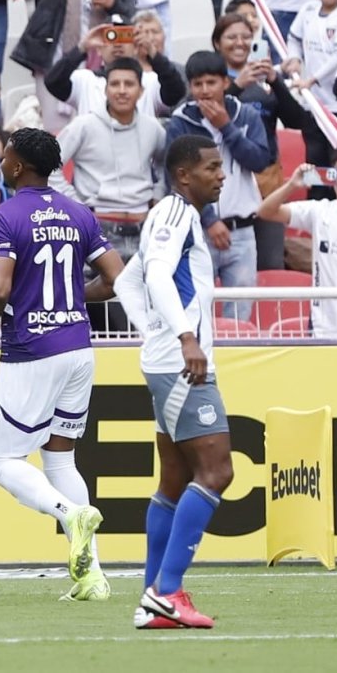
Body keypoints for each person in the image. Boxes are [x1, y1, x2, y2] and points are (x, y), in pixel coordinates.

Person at [0, 127, 124, 602]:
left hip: (31, 350)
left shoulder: (4, 217)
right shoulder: (80, 214)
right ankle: (92, 576)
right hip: (78, 346)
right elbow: (116, 278)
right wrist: (73, 297)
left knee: (4, 463)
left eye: (5, 155)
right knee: (60, 459)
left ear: (18, 165)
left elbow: (0, 288)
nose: (2, 161)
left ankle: (69, 514)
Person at [113, 135, 230, 629]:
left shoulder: (174, 217)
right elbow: (157, 275)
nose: (221, 175)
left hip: (168, 359)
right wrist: (182, 337)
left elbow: (126, 281)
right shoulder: (175, 212)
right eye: (211, 167)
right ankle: (167, 592)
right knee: (217, 471)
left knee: (175, 480)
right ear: (184, 175)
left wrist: (154, 331)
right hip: (181, 363)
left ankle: (153, 599)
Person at [49, 57, 165, 332]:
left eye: (129, 84)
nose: (122, 90)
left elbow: (164, 168)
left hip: (143, 230)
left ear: (141, 90)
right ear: (105, 89)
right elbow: (49, 167)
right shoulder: (84, 125)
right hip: (98, 229)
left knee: (142, 313)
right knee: (99, 316)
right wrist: (78, 206)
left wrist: (157, 197)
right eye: (115, 84)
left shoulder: (153, 128)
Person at [166, 51, 270, 322]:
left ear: (225, 82)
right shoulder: (181, 121)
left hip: (241, 232)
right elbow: (174, 179)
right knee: (193, 315)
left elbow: (260, 161)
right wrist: (209, 219)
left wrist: (226, 127)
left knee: (239, 319)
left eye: (211, 82)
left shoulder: (246, 115)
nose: (204, 90)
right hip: (196, 232)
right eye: (197, 84)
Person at [212, 12, 304, 271]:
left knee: (270, 263)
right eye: (231, 37)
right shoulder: (211, 78)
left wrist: (276, 81)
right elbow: (205, 113)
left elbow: (297, 120)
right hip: (225, 182)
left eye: (246, 37)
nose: (240, 43)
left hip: (266, 180)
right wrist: (237, 85)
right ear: (217, 43)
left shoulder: (267, 81)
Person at [257, 148, 337, 338]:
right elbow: (266, 211)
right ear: (331, 175)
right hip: (324, 329)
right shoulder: (318, 211)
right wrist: (292, 185)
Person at [283, 0, 337, 200]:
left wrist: (312, 79)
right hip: (312, 104)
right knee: (314, 161)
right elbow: (293, 38)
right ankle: (315, 201)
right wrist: (295, 58)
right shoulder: (308, 10)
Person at [44, 17, 186, 122]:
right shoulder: (84, 80)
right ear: (99, 49)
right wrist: (81, 48)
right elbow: (53, 81)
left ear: (135, 47)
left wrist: (152, 53)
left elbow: (177, 91)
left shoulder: (150, 81)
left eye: (124, 36)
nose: (118, 44)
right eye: (110, 37)